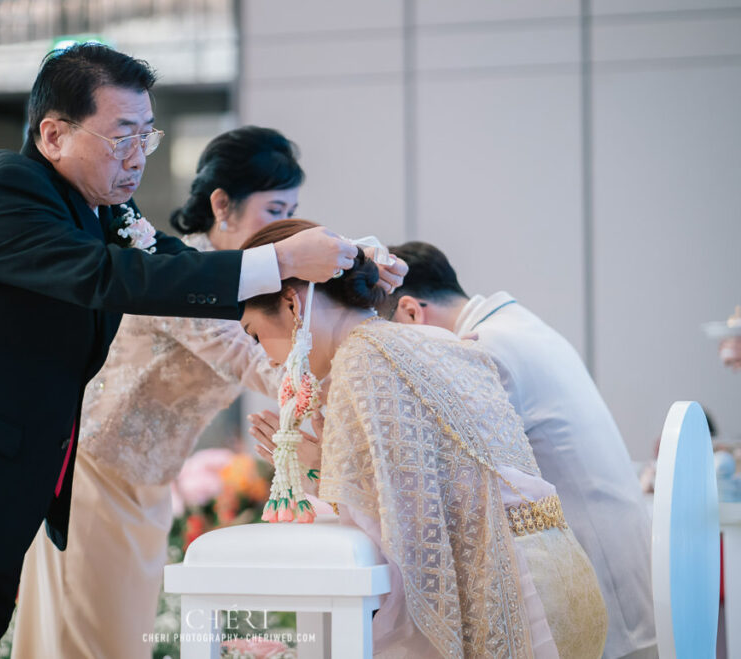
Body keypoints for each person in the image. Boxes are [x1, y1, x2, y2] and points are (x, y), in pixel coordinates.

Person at [0, 43, 404, 659]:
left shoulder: (105, 209)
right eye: (121, 138)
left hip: (1, 502)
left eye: (148, 137)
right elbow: (114, 279)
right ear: (53, 134)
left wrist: (345, 265)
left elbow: (179, 265)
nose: (138, 157)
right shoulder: (11, 191)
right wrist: (280, 261)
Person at [244, 220, 607, 658]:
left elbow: (408, 541)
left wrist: (317, 471)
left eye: (255, 334)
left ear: (291, 303)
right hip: (566, 574)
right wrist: (331, 463)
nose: (266, 355)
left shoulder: (360, 362)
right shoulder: (423, 338)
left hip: (516, 596)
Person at [11, 125, 307, 657]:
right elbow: (252, 360)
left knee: (124, 638)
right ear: (223, 205)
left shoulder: (251, 288)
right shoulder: (181, 271)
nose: (285, 229)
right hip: (93, 474)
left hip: (148, 486)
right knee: (89, 638)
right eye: (274, 210)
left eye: (293, 211)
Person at [378, 241, 656, 658]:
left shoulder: (483, 350)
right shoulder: (515, 324)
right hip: (624, 562)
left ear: (411, 312)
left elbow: (439, 484)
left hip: (601, 594)